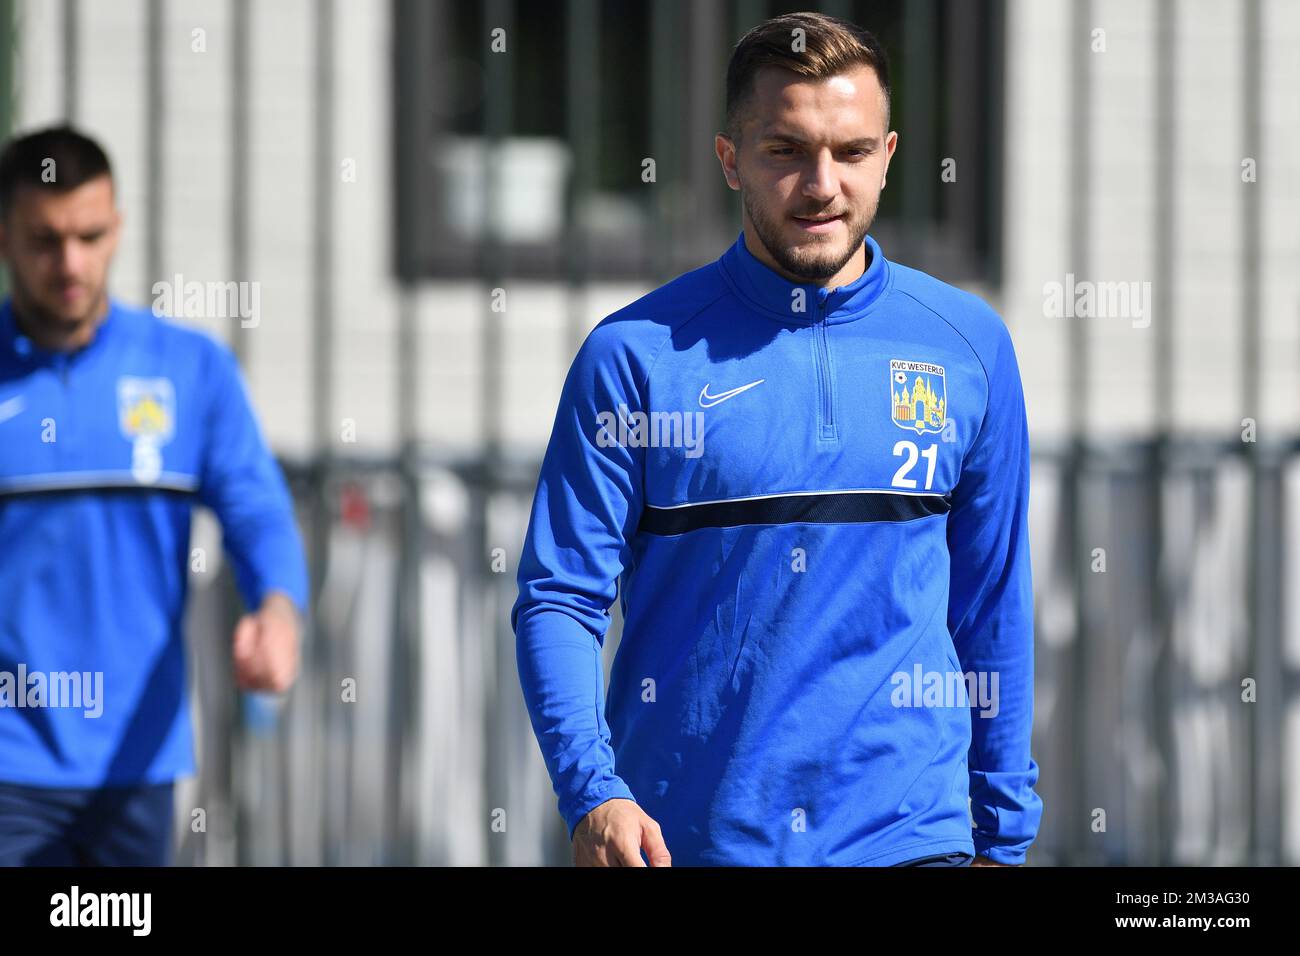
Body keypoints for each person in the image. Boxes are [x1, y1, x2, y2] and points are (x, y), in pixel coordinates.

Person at [512, 12, 1042, 866]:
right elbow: (558, 597)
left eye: (852, 151)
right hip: (690, 843)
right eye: (785, 150)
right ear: (731, 160)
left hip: (912, 841)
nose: (822, 184)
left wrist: (1004, 838)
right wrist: (593, 790)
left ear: (890, 155)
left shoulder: (968, 346)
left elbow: (992, 609)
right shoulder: (635, 357)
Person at [0, 125, 308, 865]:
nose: (70, 263)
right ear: (5, 234)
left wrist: (277, 609)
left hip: (138, 763)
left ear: (118, 227)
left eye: (89, 235)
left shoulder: (189, 370)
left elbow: (259, 513)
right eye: (45, 240)